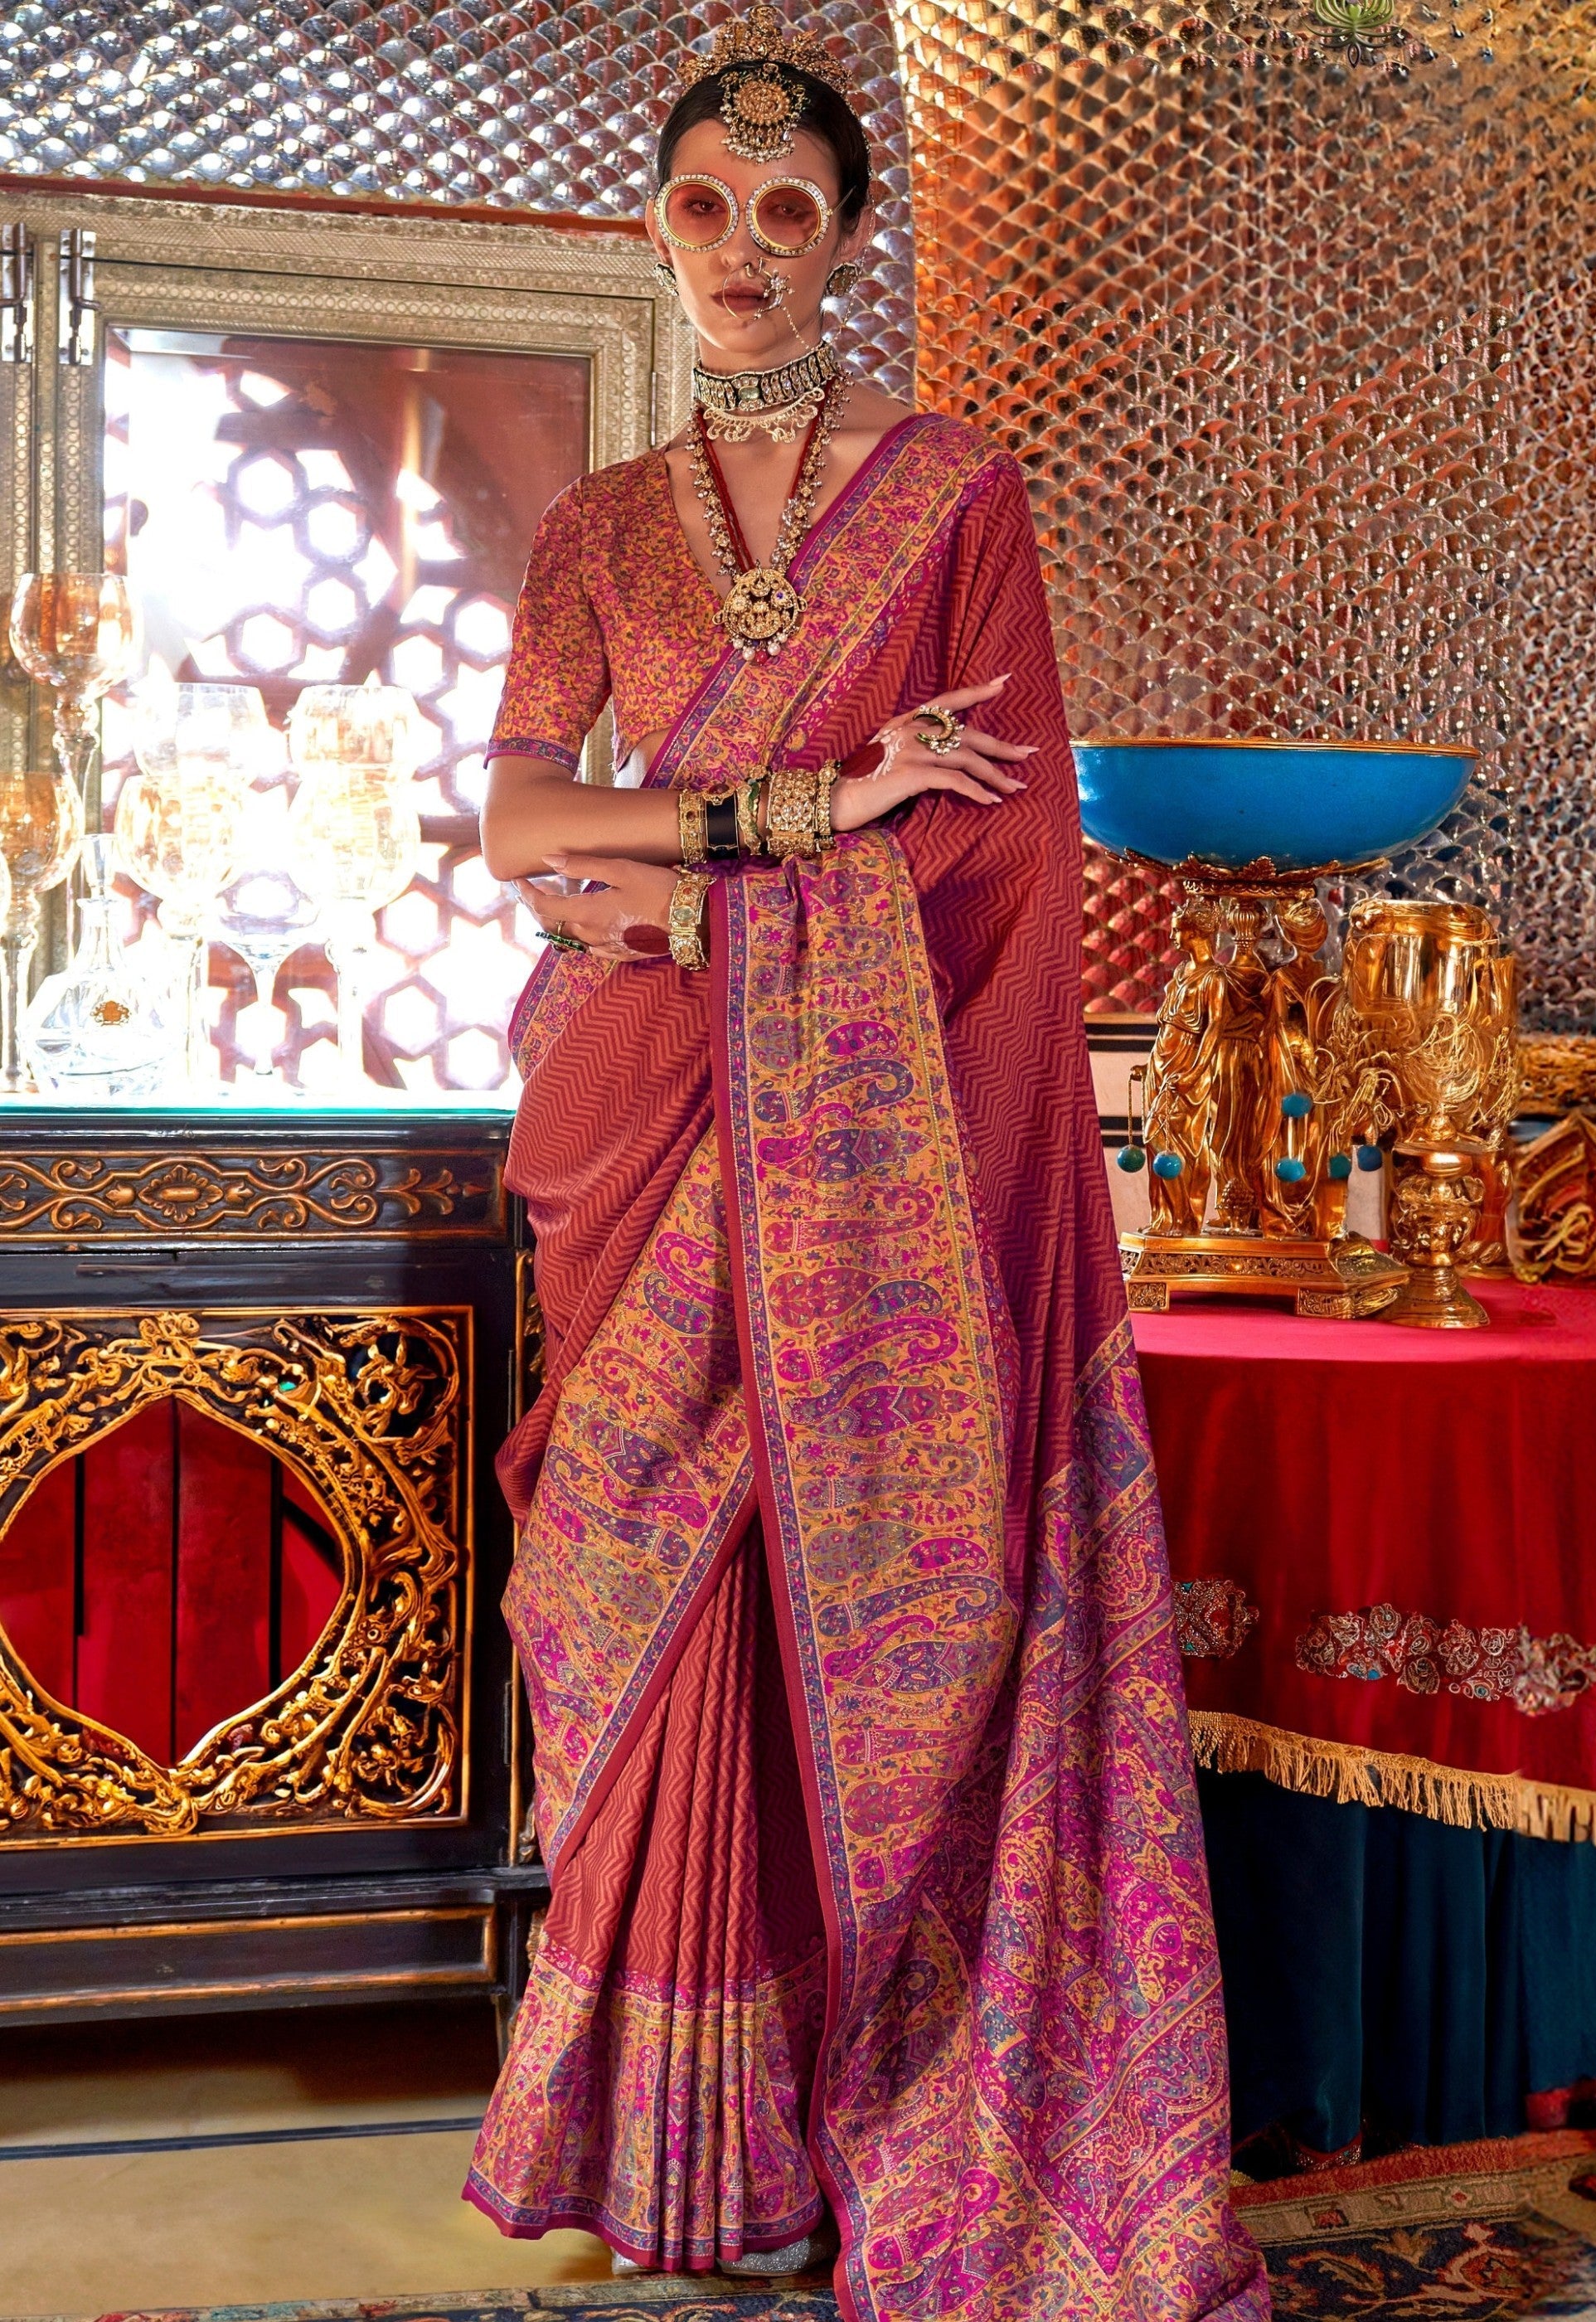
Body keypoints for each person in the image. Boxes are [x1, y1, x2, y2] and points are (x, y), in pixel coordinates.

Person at [463, 10, 1268, 2320]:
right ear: (654, 226)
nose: (738, 248)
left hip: (849, 1145)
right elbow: (523, 818)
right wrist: (793, 821)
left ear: (844, 246)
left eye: (786, 212)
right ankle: (665, 2142)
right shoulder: (598, 529)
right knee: (648, 1589)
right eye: (704, 208)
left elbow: (1000, 856)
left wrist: (681, 876)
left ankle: (851, 2121)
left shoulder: (951, 496)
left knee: (801, 1576)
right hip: (636, 1104)